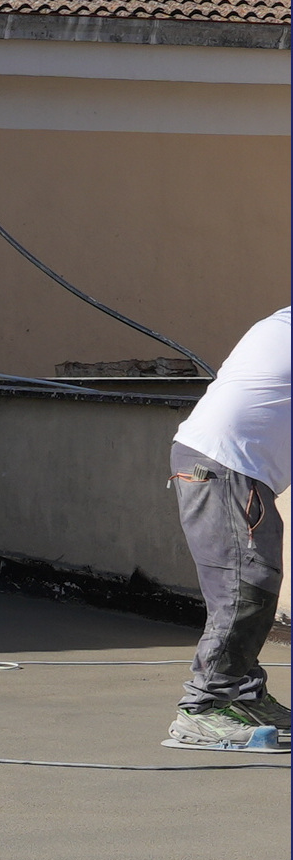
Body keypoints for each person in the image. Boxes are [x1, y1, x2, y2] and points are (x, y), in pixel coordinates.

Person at [166, 307, 289, 752]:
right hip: (228, 465)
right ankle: (201, 711)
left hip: (228, 464)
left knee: (247, 586)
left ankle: (244, 696)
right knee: (246, 589)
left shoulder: (280, 322)